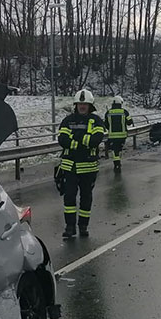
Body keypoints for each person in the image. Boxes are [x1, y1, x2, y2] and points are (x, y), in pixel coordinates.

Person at [57, 88, 106, 239]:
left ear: (90, 105)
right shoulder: (67, 120)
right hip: (70, 166)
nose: (82, 106)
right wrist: (84, 140)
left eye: (84, 104)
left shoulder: (96, 121)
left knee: (86, 197)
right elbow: (62, 140)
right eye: (79, 104)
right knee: (69, 197)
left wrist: (75, 139)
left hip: (88, 167)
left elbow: (96, 140)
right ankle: (70, 227)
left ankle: (83, 226)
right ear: (76, 105)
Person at [105, 96, 133, 172]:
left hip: (112, 136)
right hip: (122, 135)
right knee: (119, 149)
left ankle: (116, 163)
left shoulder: (108, 112)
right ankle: (118, 162)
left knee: (114, 150)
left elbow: (106, 124)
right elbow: (130, 122)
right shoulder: (124, 112)